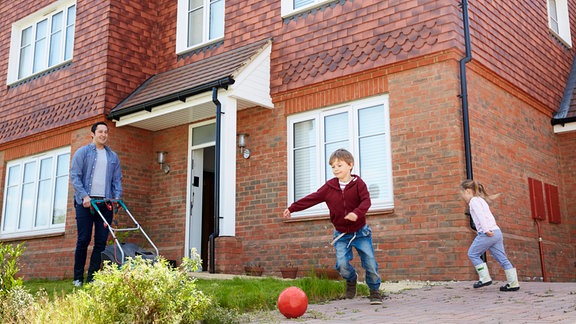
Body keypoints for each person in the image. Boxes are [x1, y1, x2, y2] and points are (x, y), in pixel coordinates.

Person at [282, 149, 382, 304]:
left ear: (350, 165)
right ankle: (351, 279)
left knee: (370, 262)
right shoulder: (329, 187)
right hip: (341, 234)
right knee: (342, 265)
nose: (336, 169)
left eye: (339, 165)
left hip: (361, 232)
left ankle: (374, 291)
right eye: (333, 166)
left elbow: (366, 201)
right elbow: (312, 198)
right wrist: (293, 208)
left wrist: (357, 213)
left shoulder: (358, 184)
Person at [70, 122, 123, 286]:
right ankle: (78, 278)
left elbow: (117, 180)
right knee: (83, 240)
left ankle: (92, 277)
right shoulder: (83, 153)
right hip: (86, 203)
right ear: (92, 134)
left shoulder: (112, 157)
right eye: (100, 132)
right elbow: (75, 176)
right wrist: (84, 196)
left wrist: (117, 197)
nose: (103, 135)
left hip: (105, 203)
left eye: (106, 132)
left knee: (101, 241)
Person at [459, 179, 520, 292]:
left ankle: (484, 278)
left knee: (472, 253)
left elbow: (481, 216)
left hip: (488, 233)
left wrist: (485, 230)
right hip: (496, 232)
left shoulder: (473, 201)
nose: (463, 197)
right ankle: (513, 283)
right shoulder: (481, 200)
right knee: (502, 258)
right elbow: (487, 217)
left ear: (467, 191)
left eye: (462, 194)